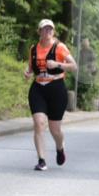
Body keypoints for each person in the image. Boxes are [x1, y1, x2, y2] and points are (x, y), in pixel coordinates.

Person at [23, 19, 78, 171]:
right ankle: (41, 160)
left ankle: (60, 148)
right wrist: (27, 73)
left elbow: (74, 66)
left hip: (56, 88)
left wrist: (58, 64)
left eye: (50, 30)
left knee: (55, 129)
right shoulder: (34, 48)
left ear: (53, 32)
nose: (47, 32)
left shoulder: (59, 47)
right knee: (39, 124)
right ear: (39, 32)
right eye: (44, 29)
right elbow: (31, 68)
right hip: (38, 88)